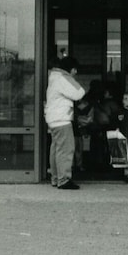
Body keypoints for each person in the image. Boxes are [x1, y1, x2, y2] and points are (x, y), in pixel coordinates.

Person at [44, 56, 85, 190]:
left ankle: (55, 178)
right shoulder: (63, 77)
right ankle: (64, 180)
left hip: (53, 118)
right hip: (62, 119)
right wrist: (71, 78)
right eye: (75, 71)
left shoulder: (54, 76)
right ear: (72, 69)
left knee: (56, 149)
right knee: (66, 149)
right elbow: (79, 93)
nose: (76, 73)